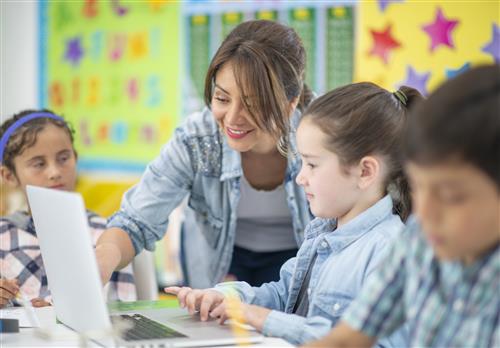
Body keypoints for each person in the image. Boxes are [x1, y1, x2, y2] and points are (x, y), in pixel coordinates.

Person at [165, 82, 423, 346]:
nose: (300, 178)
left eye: (312, 164)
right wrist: (228, 298)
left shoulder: (389, 253)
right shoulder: (322, 232)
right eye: (301, 163)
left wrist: (262, 318)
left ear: (365, 172)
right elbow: (282, 294)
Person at [95, 20, 314, 288]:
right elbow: (135, 222)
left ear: (290, 104)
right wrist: (99, 263)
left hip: (300, 261)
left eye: (253, 104)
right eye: (222, 99)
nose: (232, 119)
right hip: (219, 265)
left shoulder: (329, 132)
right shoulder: (196, 139)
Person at [303, 65, 500, 348]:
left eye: (450, 196)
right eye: (419, 187)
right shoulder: (420, 240)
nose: (425, 214)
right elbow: (347, 340)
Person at [0, 109, 136, 307]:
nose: (55, 172)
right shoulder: (3, 235)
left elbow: (123, 311)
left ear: (76, 158)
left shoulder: (107, 235)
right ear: (9, 176)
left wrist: (58, 315)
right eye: (39, 164)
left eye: (63, 159)